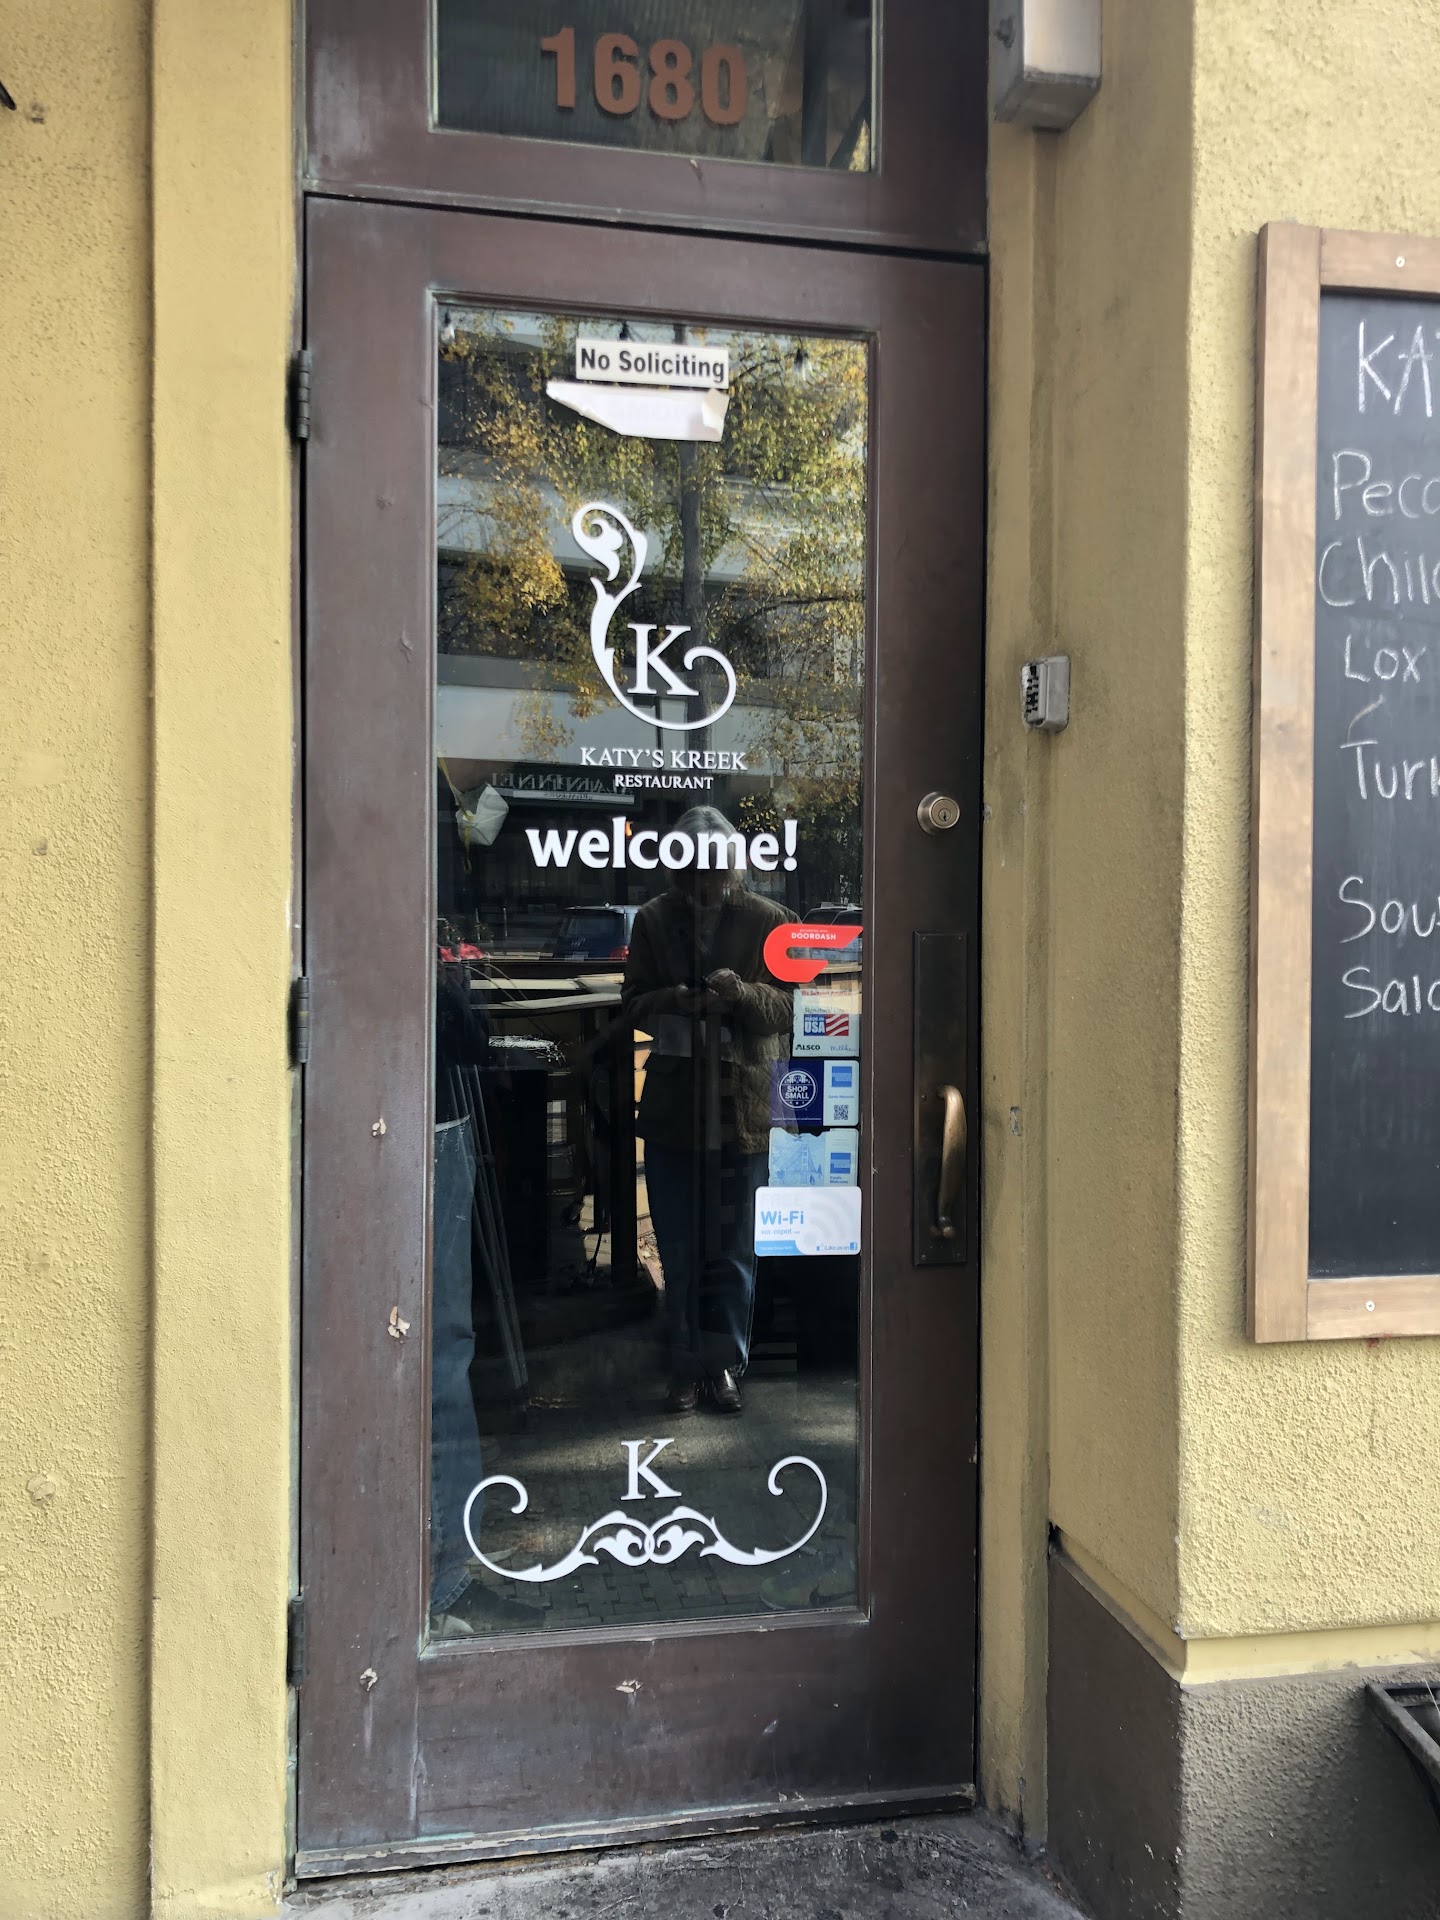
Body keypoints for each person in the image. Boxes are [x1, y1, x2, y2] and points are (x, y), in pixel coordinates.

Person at [621, 807, 792, 1415]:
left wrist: (741, 994)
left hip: (743, 1108)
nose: (703, 882)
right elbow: (632, 1004)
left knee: (734, 1249)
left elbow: (789, 1009)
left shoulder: (770, 920)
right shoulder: (653, 919)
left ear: (733, 868)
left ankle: (724, 1367)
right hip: (676, 1107)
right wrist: (674, 998)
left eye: (714, 870)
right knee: (679, 1246)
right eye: (691, 870)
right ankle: (685, 1367)